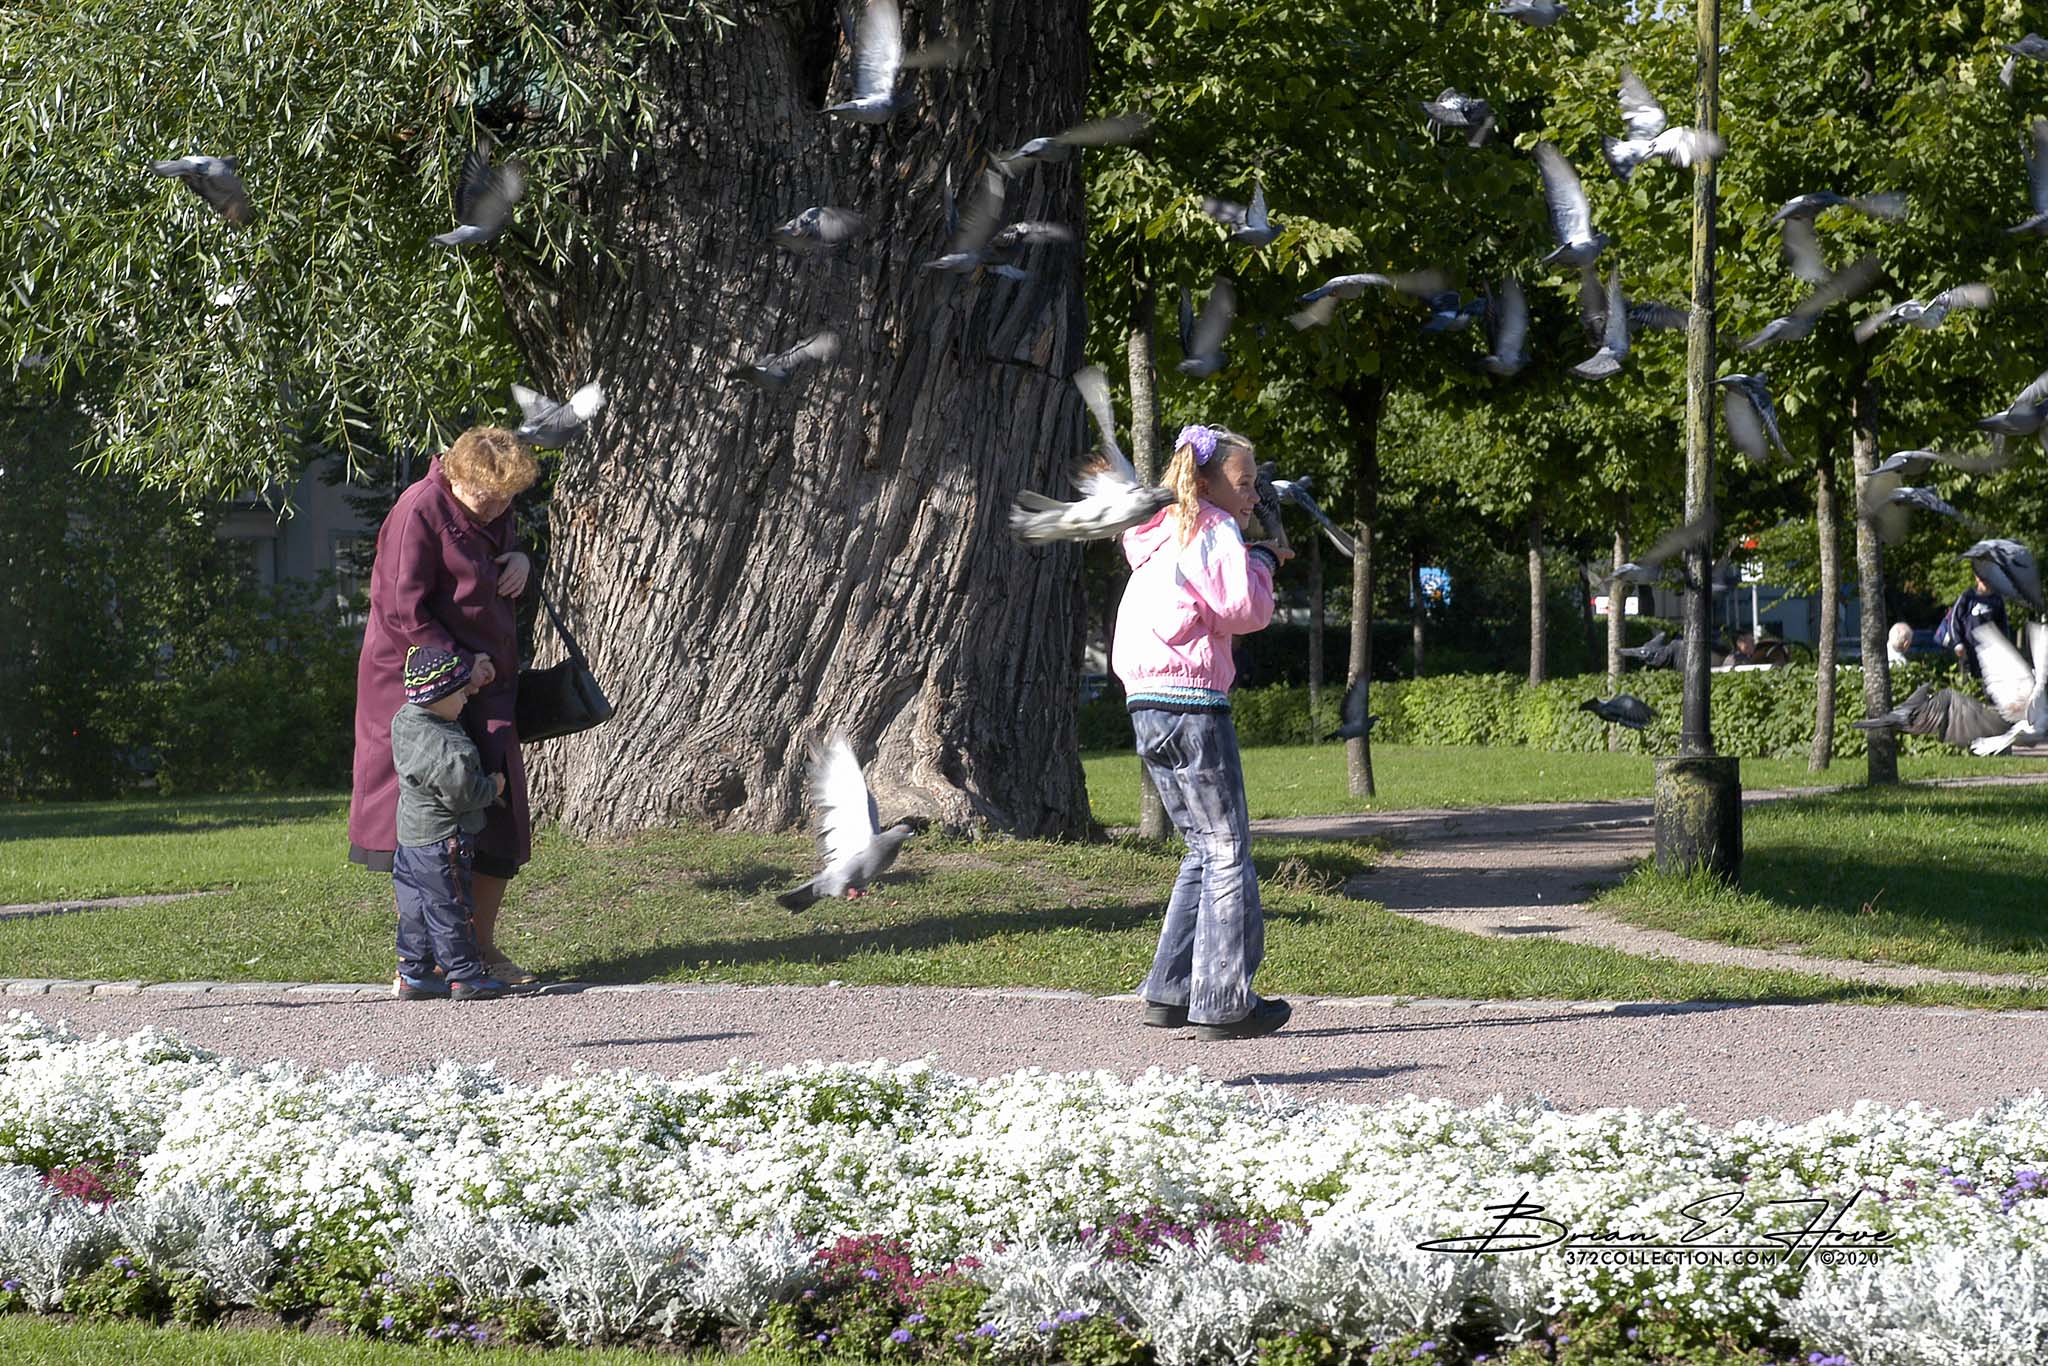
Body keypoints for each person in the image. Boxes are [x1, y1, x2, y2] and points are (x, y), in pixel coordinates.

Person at [1112, 422, 1294, 1042]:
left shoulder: (1160, 532)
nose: (1253, 495)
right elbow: (1245, 610)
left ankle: (1170, 991)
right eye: (1245, 483)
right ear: (1208, 482)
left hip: (1147, 704)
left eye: (1256, 485)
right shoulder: (1212, 527)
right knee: (1227, 852)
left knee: (1202, 849)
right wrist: (1263, 561)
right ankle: (1223, 1001)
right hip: (1193, 704)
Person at [348, 428, 540, 986]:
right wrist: (459, 666)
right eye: (489, 498)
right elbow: (400, 608)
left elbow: (490, 566)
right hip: (420, 685)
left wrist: (520, 560)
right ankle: (426, 958)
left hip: (488, 678)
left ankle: (480, 948)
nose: (498, 508)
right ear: (457, 474)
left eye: (508, 499)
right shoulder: (419, 510)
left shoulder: (493, 505)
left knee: (496, 806)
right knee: (424, 819)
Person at [390, 646, 512, 1001]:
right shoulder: (448, 749)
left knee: (414, 910)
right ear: (437, 697)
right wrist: (493, 787)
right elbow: (463, 794)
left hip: (410, 839)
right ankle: (465, 974)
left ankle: (414, 972)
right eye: (459, 693)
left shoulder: (404, 720)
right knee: (451, 907)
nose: (465, 698)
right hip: (444, 839)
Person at [1946, 572, 2010, 681]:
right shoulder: (1967, 597)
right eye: (1980, 577)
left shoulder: (1997, 599)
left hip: (1990, 653)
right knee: (1967, 684)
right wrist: (1957, 643)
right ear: (1976, 578)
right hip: (1968, 651)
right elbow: (1954, 620)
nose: (1983, 580)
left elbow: (2003, 627)